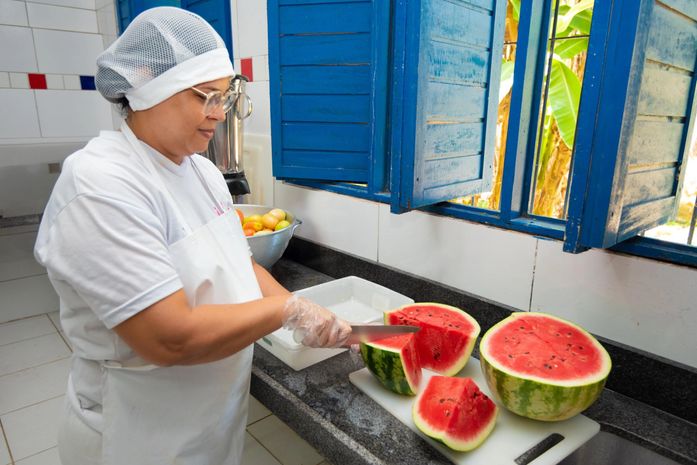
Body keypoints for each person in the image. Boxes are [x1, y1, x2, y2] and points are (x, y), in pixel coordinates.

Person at [33, 7, 351, 465]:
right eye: (206, 96)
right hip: (137, 430)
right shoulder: (100, 183)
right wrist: (285, 308)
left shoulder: (202, 170)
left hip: (209, 420)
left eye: (226, 97)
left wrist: (301, 313)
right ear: (147, 87)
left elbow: (237, 261)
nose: (219, 114)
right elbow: (169, 338)